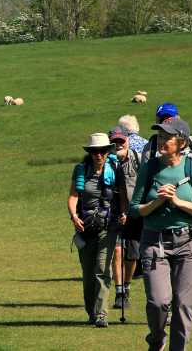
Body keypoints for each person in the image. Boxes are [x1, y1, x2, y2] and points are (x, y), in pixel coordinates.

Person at [130, 118, 192, 351]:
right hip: (154, 241)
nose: (161, 141)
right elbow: (134, 210)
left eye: (167, 137)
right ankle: (157, 340)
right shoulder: (149, 168)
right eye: (159, 136)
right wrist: (157, 201)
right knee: (158, 302)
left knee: (183, 306)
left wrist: (178, 202)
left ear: (181, 142)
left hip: (188, 243)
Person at [69, 132, 121, 328]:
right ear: (89, 153)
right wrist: (74, 217)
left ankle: (101, 314)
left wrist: (123, 213)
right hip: (85, 226)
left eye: (101, 151)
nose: (98, 155)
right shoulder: (81, 170)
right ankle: (91, 311)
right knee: (88, 272)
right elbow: (73, 196)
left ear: (107, 152)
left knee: (102, 270)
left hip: (107, 228)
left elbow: (122, 194)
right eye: (94, 151)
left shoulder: (115, 169)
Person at [109, 126, 141, 309]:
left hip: (134, 215)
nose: (118, 144)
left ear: (127, 140)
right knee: (118, 251)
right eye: (114, 141)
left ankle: (127, 286)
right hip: (113, 214)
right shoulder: (108, 162)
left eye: (121, 140)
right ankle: (119, 291)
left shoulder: (137, 159)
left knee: (132, 255)